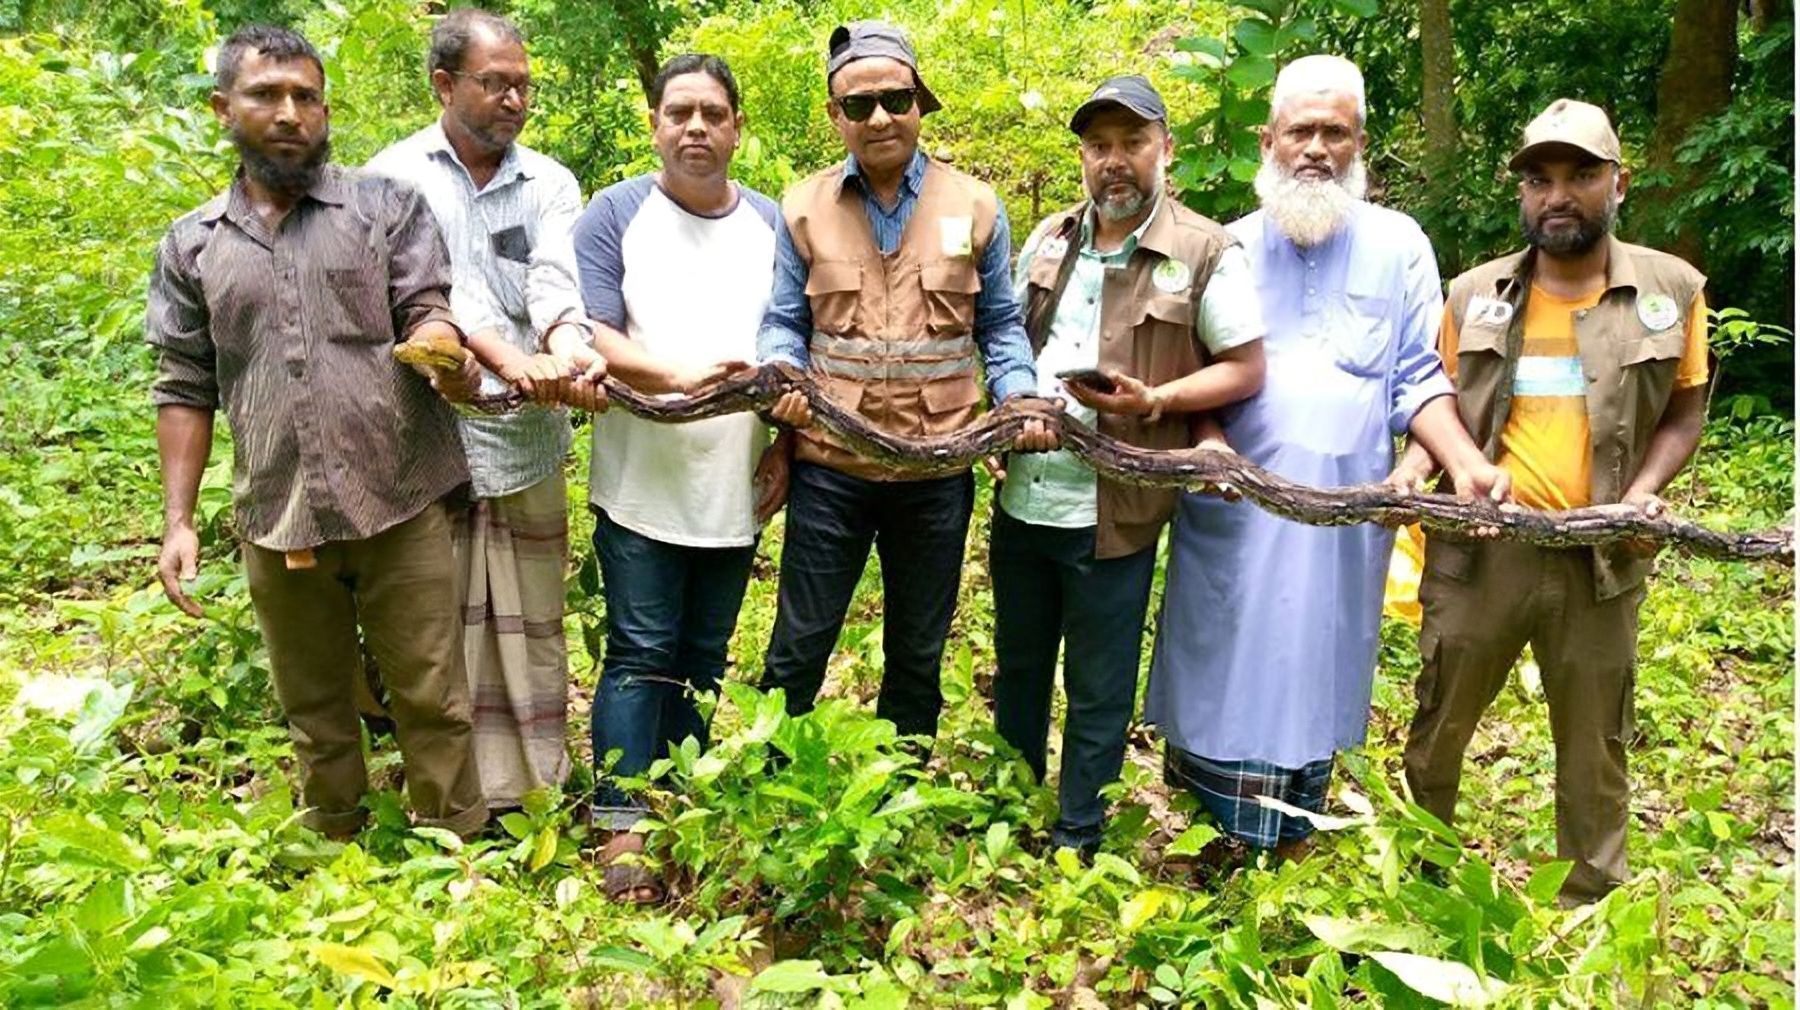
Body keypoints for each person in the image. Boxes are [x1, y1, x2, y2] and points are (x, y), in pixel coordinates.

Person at [1144, 55, 1508, 859]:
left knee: (1314, 668)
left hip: (1349, 512)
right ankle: (1220, 847)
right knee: (1227, 671)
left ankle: (1290, 841)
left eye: (1334, 133)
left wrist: (1440, 464)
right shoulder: (1225, 248)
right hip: (1236, 510)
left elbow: (1420, 376)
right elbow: (1188, 373)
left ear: (1359, 144)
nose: (1316, 149)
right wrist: (1211, 447)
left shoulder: (1401, 245)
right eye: (1300, 131)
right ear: (1267, 141)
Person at [148, 24, 486, 839]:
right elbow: (184, 383)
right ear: (223, 108)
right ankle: (335, 843)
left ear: (326, 109)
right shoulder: (193, 245)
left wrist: (442, 348)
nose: (290, 113)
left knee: (433, 696)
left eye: (306, 95)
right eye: (266, 95)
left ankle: (457, 852)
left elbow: (426, 306)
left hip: (398, 497)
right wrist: (178, 520)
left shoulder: (385, 208)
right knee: (314, 703)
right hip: (279, 510)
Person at [1398, 99, 1710, 904]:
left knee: (1595, 739)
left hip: (1600, 558)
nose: (1558, 195)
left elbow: (1685, 411)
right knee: (1439, 725)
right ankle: (1421, 881)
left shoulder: (1671, 291)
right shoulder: (1474, 294)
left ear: (1619, 183)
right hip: (1482, 554)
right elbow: (1437, 403)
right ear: (1522, 192)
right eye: (1539, 179)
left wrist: (1642, 496)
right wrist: (1419, 468)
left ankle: (1589, 902)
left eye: (1580, 176)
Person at [754, 20, 1053, 741]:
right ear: (836, 116)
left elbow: (1001, 325)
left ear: (920, 101)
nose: (880, 118)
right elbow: (783, 321)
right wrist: (783, 374)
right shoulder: (802, 207)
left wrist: (1017, 397)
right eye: (859, 105)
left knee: (918, 653)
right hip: (831, 465)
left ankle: (903, 786)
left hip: (937, 470)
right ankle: (768, 779)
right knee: (798, 646)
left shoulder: (976, 206)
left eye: (895, 99)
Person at [992, 76, 1265, 855]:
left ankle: (1078, 833)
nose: (1114, 161)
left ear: (1165, 149)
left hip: (1116, 508)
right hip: (1026, 492)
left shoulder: (1205, 250)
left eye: (1132, 143)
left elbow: (1245, 367)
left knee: (1099, 682)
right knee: (1018, 666)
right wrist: (1005, 410)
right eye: (1098, 145)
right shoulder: (1051, 238)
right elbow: (1009, 339)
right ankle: (1008, 808)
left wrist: (1157, 401)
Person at [366, 7, 604, 814]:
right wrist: (511, 359)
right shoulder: (390, 179)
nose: (514, 101)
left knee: (533, 623)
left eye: (523, 86)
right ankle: (453, 796)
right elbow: (434, 294)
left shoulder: (549, 182)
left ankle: (533, 789)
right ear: (444, 84)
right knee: (441, 628)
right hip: (429, 442)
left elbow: (555, 283)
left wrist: (568, 348)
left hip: (527, 438)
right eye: (495, 83)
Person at [570, 53, 780, 904]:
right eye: (679, 112)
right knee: (639, 650)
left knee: (702, 654)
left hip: (735, 481)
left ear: (737, 128)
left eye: (713, 113)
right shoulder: (616, 213)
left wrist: (787, 448)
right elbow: (590, 331)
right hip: (640, 477)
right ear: (654, 124)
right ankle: (622, 821)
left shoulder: (771, 223)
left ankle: (680, 800)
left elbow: (791, 343)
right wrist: (682, 379)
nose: (696, 127)